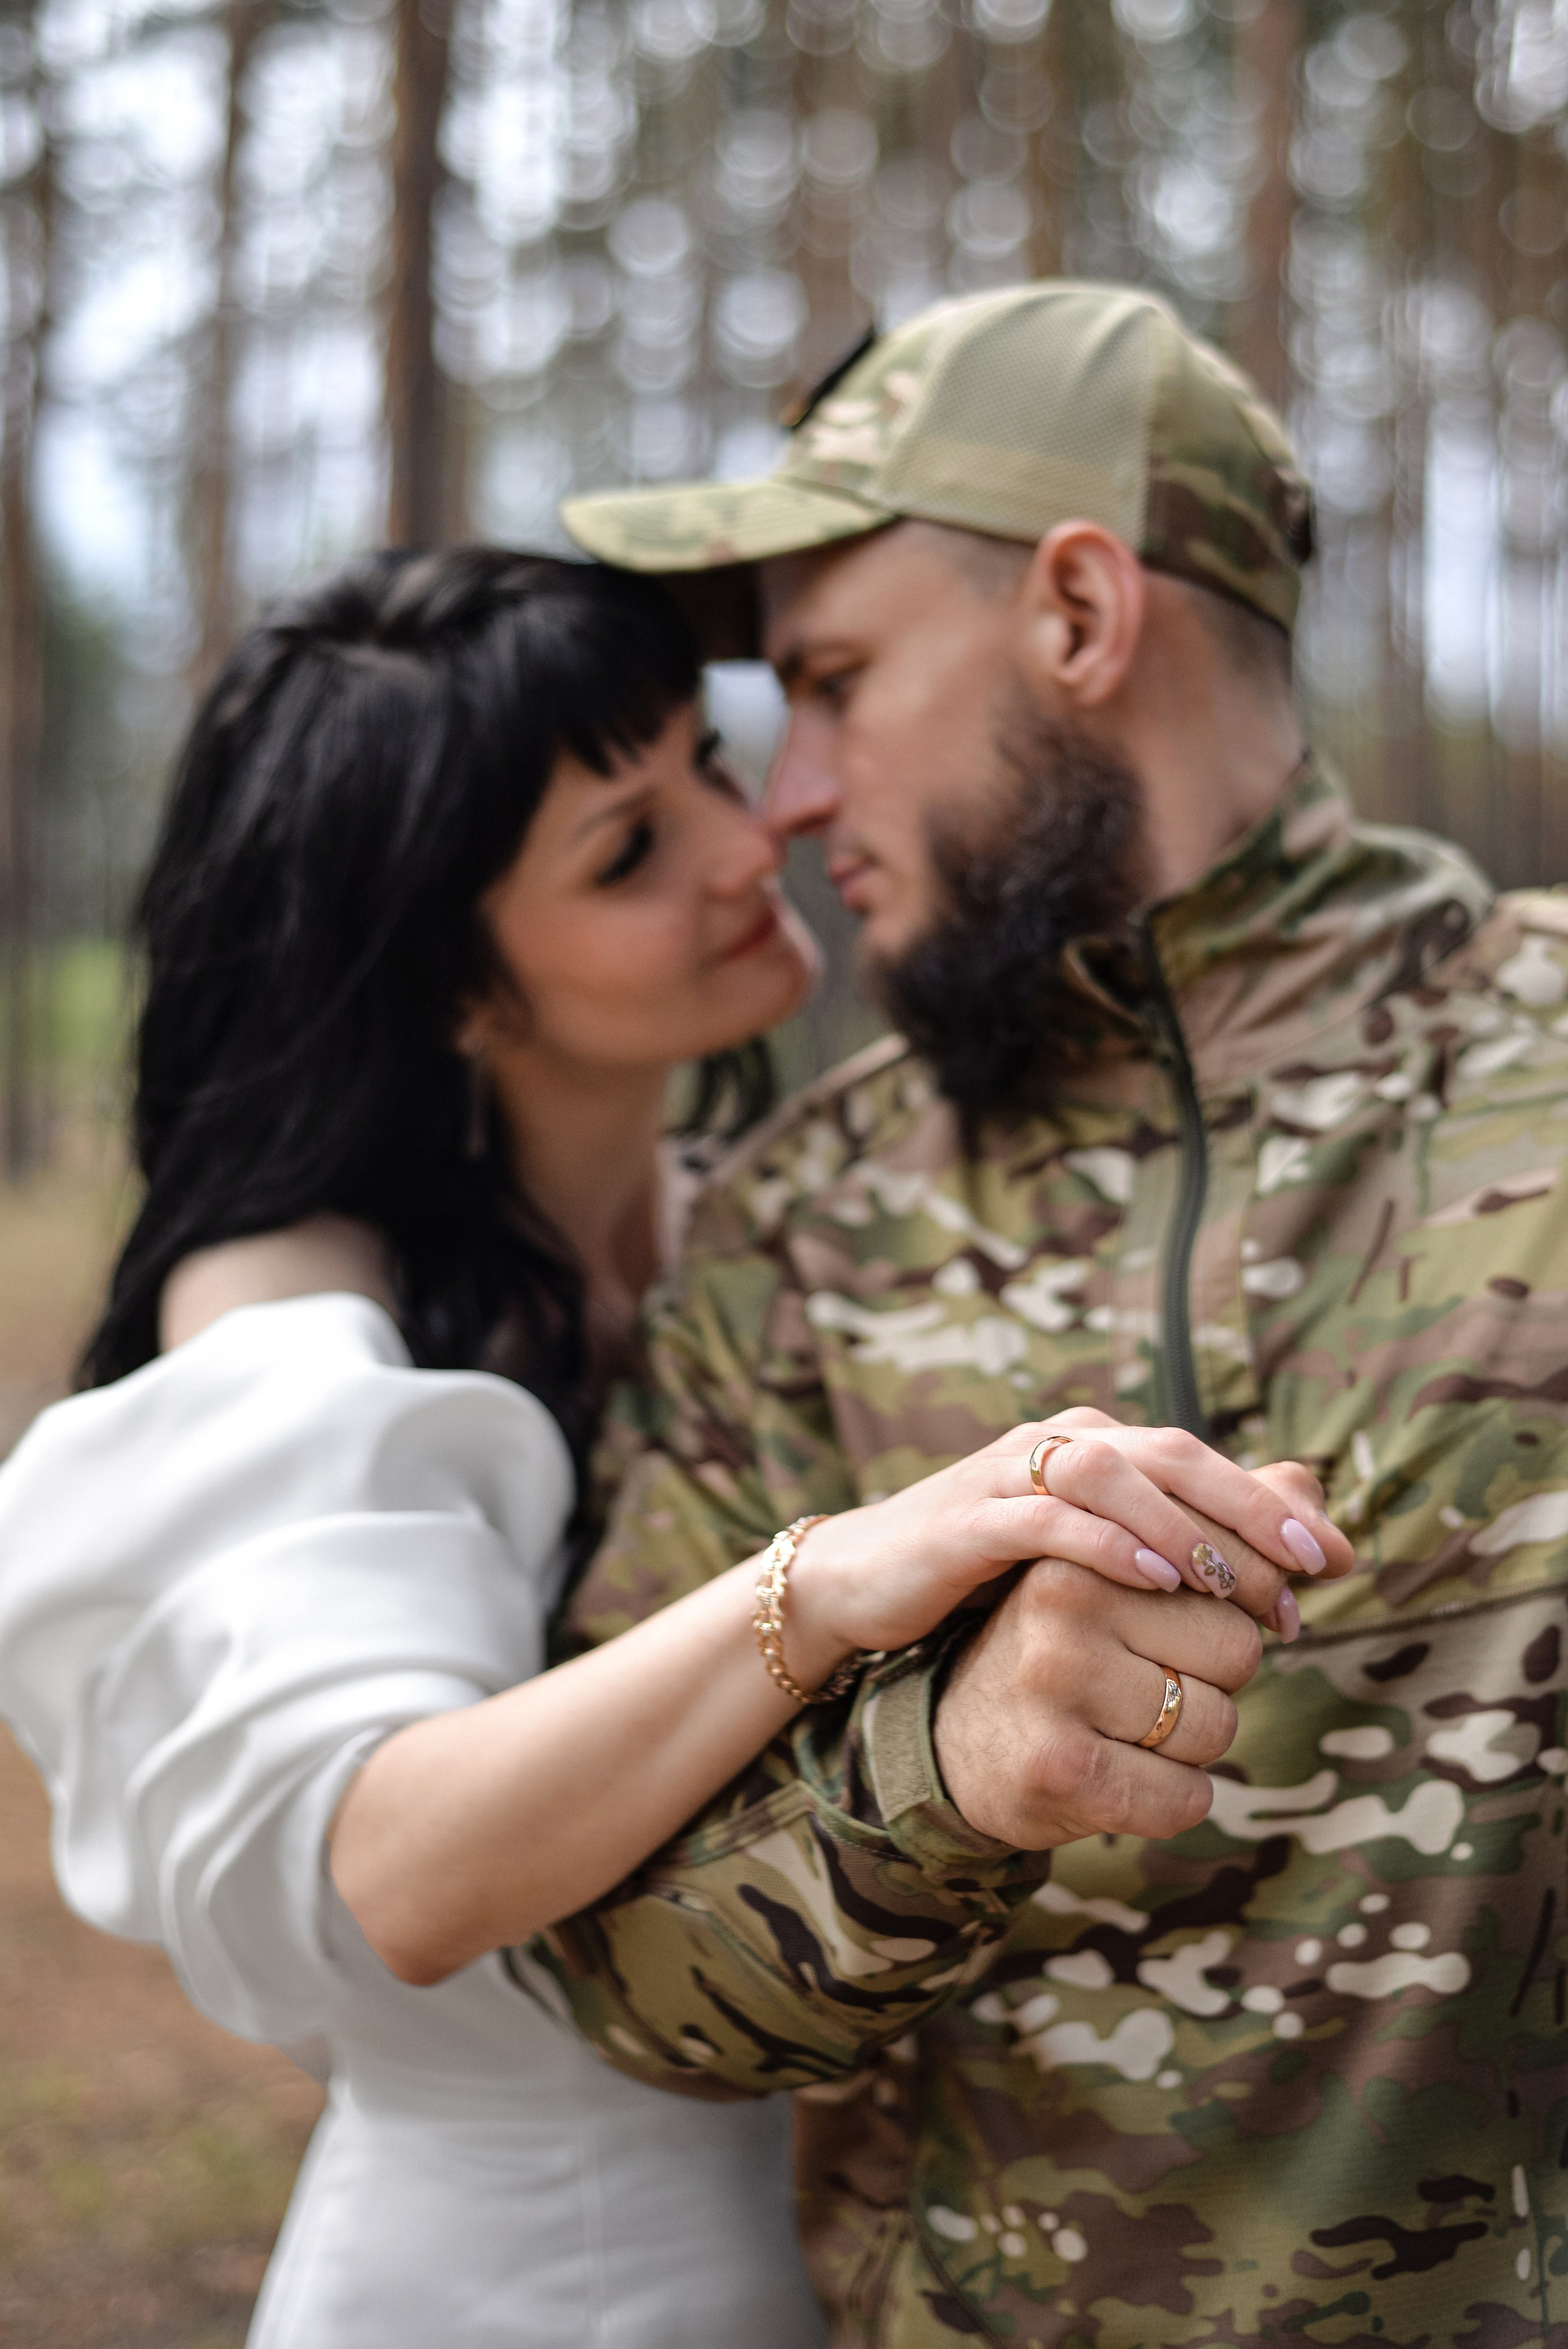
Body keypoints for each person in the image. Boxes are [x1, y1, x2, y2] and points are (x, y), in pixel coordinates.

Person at [0, 546, 1329, 2348]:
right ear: (452, 984)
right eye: (627, 851)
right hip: (528, 2280)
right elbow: (390, 1862)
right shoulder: (296, 1311)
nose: (746, 838)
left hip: (839, 2247)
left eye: (707, 761)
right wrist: (824, 1583)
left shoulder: (756, 1237)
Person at [494, 279, 1568, 2344]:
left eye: (832, 681)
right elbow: (609, 1964)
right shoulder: (800, 1232)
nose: (787, 800)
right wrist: (954, 1766)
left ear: (1080, 616)